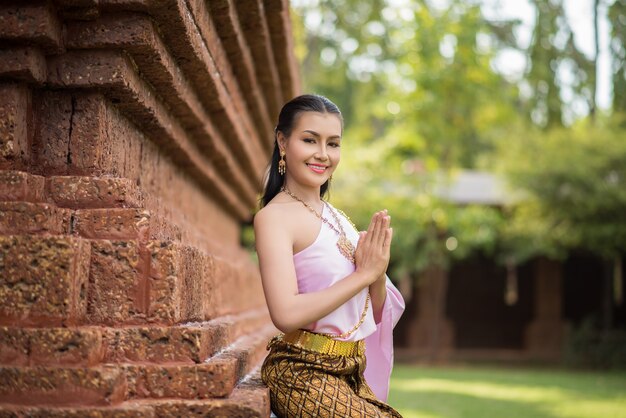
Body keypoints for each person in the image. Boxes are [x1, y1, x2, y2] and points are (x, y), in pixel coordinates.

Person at [254, 94, 405, 417]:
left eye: (333, 144)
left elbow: (375, 312)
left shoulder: (337, 218)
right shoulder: (274, 218)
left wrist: (377, 272)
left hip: (348, 370)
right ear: (283, 141)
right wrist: (362, 275)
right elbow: (285, 313)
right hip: (302, 372)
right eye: (310, 140)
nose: (323, 154)